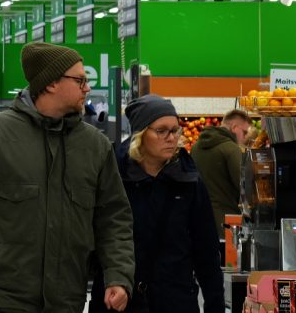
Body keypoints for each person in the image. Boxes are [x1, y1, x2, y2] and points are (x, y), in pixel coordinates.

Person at [0, 42, 135, 313]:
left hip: (67, 299)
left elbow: (114, 219)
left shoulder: (95, 146)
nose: (87, 88)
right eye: (80, 80)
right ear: (51, 83)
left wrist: (119, 276)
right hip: (4, 299)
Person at [90, 95, 224, 313]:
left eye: (175, 130)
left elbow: (206, 251)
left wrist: (214, 305)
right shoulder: (114, 176)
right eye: (161, 131)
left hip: (175, 301)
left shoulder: (189, 180)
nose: (171, 138)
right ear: (140, 134)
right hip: (120, 300)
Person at [189, 109, 250, 237]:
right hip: (225, 221)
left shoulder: (196, 147)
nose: (244, 137)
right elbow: (243, 186)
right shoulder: (231, 149)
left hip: (198, 218)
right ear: (234, 127)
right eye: (244, 132)